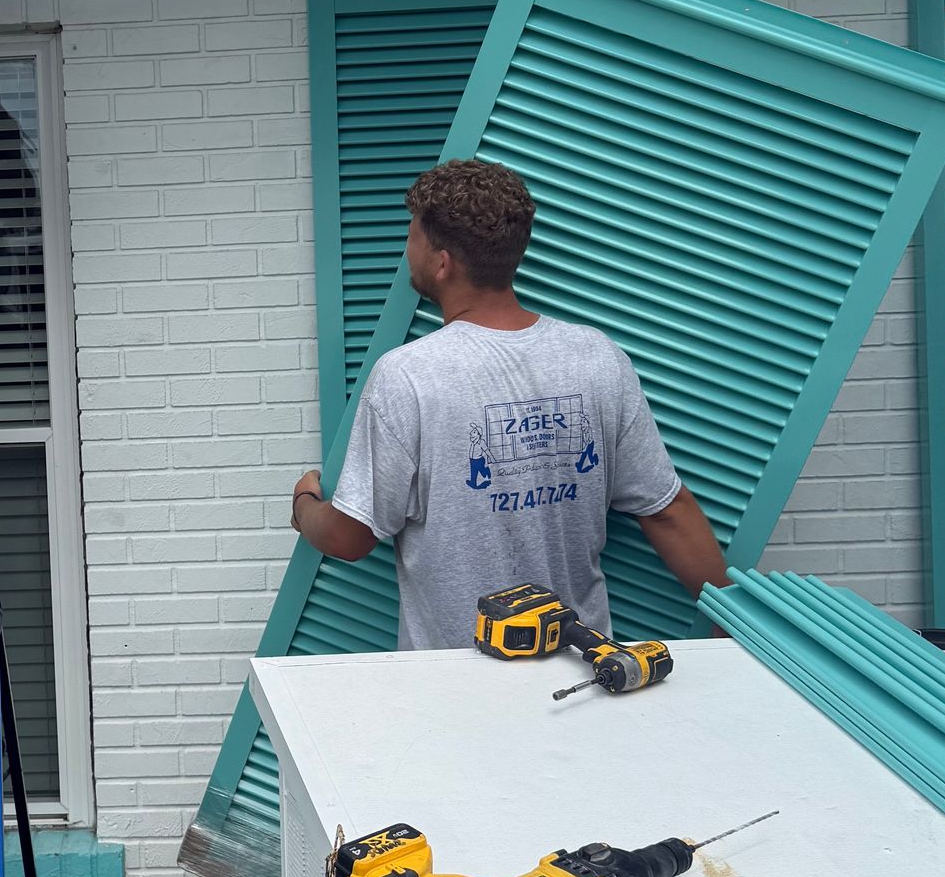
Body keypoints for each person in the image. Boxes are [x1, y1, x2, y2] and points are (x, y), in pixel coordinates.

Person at [288, 157, 728, 648]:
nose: (406, 249)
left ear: (442, 261)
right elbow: (666, 511)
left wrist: (305, 504)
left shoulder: (408, 375)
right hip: (583, 664)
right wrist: (729, 615)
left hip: (457, 681)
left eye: (412, 236)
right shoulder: (597, 356)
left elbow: (350, 537)